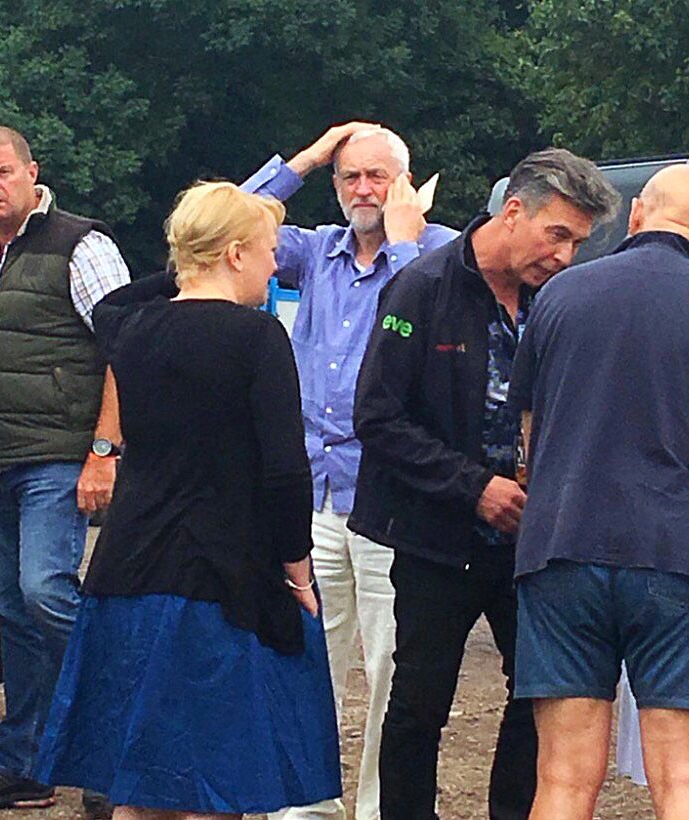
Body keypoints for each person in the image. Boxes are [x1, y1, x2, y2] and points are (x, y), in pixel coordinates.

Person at [34, 181, 342, 819]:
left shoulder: (131, 328)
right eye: (267, 250)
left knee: (138, 783)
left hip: (127, 571)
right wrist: (297, 570)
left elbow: (117, 300)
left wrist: (189, 263)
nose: (274, 266)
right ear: (235, 254)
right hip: (221, 579)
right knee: (210, 785)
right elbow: (285, 471)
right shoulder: (257, 338)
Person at [350, 147, 619, 820]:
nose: (564, 255)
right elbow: (377, 416)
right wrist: (474, 487)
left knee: (538, 692)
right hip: (436, 536)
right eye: (557, 235)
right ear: (514, 210)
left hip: (530, 540)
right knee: (419, 705)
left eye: (578, 243)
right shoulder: (423, 287)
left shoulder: (557, 299)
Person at [241, 122, 457, 820]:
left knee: (394, 665)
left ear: (406, 183)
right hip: (313, 487)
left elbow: (428, 323)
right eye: (350, 177)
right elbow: (228, 224)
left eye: (376, 176)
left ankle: (377, 808)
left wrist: (402, 243)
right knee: (306, 652)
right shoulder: (315, 251)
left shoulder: (439, 252)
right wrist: (305, 158)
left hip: (392, 494)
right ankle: (304, 804)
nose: (363, 190)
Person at [508, 164, 689, 820]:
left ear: (636, 215)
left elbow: (528, 439)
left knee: (565, 777)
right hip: (680, 551)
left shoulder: (560, 296)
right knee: (685, 776)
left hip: (562, 544)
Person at [0, 125, 130, 812]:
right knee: (9, 607)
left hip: (58, 457)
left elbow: (127, 347)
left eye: (1, 171)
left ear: (31, 172)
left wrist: (104, 451)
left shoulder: (80, 245)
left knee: (46, 594)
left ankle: (114, 750)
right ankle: (27, 763)